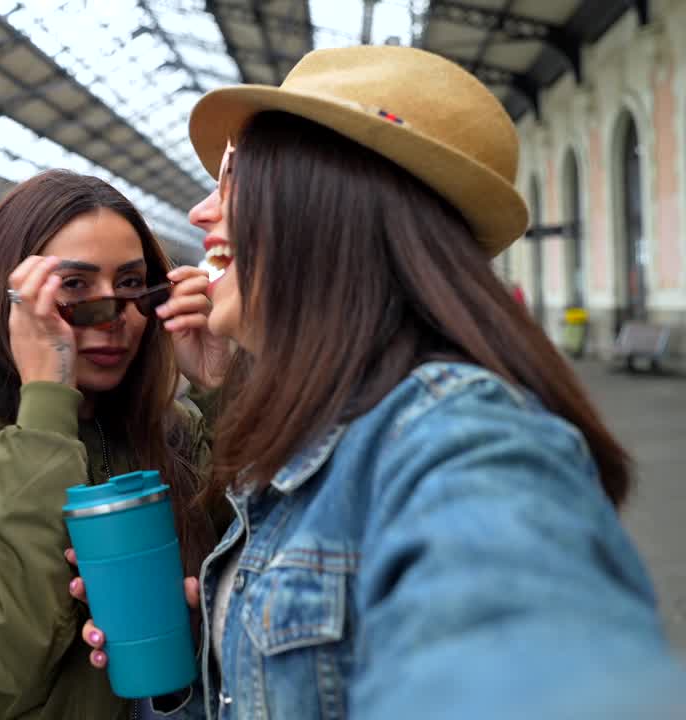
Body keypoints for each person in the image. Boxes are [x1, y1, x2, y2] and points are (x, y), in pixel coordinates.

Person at [75, 45, 685, 718]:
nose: (199, 213)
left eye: (231, 175)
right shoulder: (317, 429)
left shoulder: (461, 444)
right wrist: (216, 647)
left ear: (327, 203)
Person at [0, 170, 229, 718]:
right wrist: (47, 397)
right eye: (73, 288)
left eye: (133, 285)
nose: (113, 319)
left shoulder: (173, 430)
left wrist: (219, 387)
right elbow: (1, 650)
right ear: (12, 304)